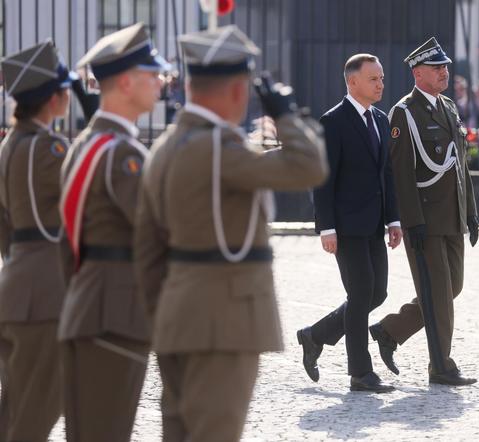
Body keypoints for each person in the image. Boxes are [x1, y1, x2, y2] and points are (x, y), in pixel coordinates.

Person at [134, 25, 327, 442]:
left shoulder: (166, 146)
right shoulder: (219, 149)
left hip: (177, 317)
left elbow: (145, 250)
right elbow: (310, 166)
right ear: (239, 89)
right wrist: (287, 114)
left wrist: (161, 315)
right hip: (224, 322)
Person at [58, 23, 169, 441]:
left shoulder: (87, 143)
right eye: (152, 73)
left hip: (89, 305)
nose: (161, 81)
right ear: (126, 82)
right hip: (117, 316)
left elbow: (65, 246)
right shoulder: (123, 153)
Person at [368, 37, 479, 386]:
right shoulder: (404, 112)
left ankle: (390, 330)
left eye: (445, 66)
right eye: (437, 68)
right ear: (418, 73)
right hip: (427, 221)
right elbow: (401, 173)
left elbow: (461, 165)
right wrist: (410, 220)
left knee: (451, 289)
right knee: (439, 296)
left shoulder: (448, 107)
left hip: (452, 217)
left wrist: (471, 213)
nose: (445, 72)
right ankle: (441, 366)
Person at [296, 53, 402, 393]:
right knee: (359, 294)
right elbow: (323, 178)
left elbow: (386, 173)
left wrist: (394, 220)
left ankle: (315, 336)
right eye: (373, 79)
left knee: (377, 292)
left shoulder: (382, 120)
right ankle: (360, 373)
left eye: (382, 78)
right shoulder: (334, 121)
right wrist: (326, 228)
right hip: (344, 225)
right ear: (352, 82)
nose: (381, 84)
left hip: (373, 224)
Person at [0, 39, 77, 442]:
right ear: (52, 97)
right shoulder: (50, 148)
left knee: (14, 407)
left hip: (14, 283)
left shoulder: (7, 147)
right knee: (40, 407)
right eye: (65, 88)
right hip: (46, 292)